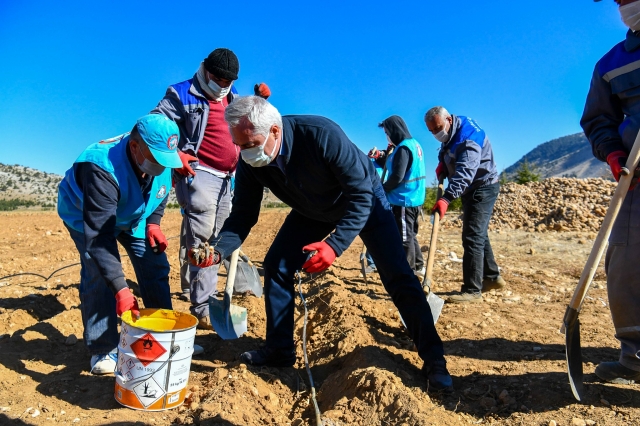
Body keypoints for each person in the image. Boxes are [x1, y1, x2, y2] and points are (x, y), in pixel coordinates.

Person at [205, 96, 452, 390]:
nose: (245, 153)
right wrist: (218, 251)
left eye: (250, 144)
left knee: (398, 275)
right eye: (240, 146)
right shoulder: (252, 161)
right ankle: (280, 351)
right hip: (313, 208)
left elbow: (361, 196)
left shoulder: (322, 135)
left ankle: (435, 361)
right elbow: (244, 213)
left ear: (274, 130)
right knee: (277, 265)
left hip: (362, 199)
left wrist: (334, 246)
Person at [57, 114, 199, 374]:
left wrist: (154, 223)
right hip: (85, 215)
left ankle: (164, 336)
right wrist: (122, 290)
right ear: (135, 147)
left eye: (166, 160)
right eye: (157, 159)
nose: (162, 165)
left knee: (155, 265)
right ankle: (102, 349)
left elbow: (161, 190)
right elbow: (100, 238)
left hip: (133, 215)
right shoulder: (101, 167)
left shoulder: (161, 156)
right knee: (98, 273)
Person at [151, 48, 270, 329]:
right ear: (205, 69)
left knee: (220, 237)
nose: (221, 85)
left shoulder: (231, 97)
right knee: (202, 239)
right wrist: (175, 155)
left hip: (229, 177)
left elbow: (249, 120)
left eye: (227, 81)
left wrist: (261, 102)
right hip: (199, 173)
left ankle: (207, 296)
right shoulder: (181, 93)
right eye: (217, 78)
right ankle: (202, 305)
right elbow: (156, 124)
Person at [581, 0, 640, 384]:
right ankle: (637, 360)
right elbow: (598, 119)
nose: (625, 5)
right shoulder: (611, 63)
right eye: (619, 0)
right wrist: (614, 153)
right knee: (625, 264)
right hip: (637, 178)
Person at [424, 106, 504, 303]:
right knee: (478, 233)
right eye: (432, 131)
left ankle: (472, 290)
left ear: (449, 120)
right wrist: (443, 163)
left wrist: (446, 198)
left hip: (482, 187)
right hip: (472, 188)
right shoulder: (452, 130)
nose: (436, 133)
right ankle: (492, 277)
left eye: (438, 128)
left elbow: (465, 174)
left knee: (472, 236)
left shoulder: (468, 139)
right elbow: (446, 149)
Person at [371, 116, 426, 277]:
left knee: (404, 238)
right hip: (414, 198)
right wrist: (381, 156)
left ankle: (408, 273)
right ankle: (418, 266)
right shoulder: (414, 144)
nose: (387, 136)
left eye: (387, 132)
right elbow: (394, 165)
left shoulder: (403, 148)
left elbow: (397, 177)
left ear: (394, 130)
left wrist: (381, 190)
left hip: (404, 199)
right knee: (410, 234)